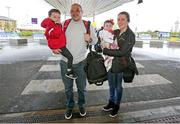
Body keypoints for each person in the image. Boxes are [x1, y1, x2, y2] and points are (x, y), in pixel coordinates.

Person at [51, 4, 97, 120]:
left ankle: (81, 105)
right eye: (72, 11)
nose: (75, 13)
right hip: (65, 62)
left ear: (82, 12)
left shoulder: (87, 25)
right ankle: (69, 106)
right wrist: (52, 48)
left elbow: (95, 40)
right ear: (70, 12)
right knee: (68, 88)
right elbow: (53, 36)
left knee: (82, 88)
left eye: (77, 10)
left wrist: (90, 39)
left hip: (81, 62)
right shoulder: (64, 24)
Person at [102, 11, 136, 117]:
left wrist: (105, 51)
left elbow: (122, 52)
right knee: (111, 85)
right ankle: (111, 102)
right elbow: (105, 39)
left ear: (128, 20)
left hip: (121, 64)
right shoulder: (115, 32)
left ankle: (116, 105)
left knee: (118, 87)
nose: (120, 21)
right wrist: (100, 44)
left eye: (123, 19)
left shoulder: (130, 35)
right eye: (118, 19)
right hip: (110, 63)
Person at [41, 9, 77, 80]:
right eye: (55, 17)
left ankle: (69, 71)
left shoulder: (54, 24)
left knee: (70, 57)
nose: (57, 19)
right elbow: (54, 34)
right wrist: (58, 25)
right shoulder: (51, 25)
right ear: (49, 17)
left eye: (59, 17)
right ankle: (69, 71)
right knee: (70, 57)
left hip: (60, 45)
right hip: (59, 46)